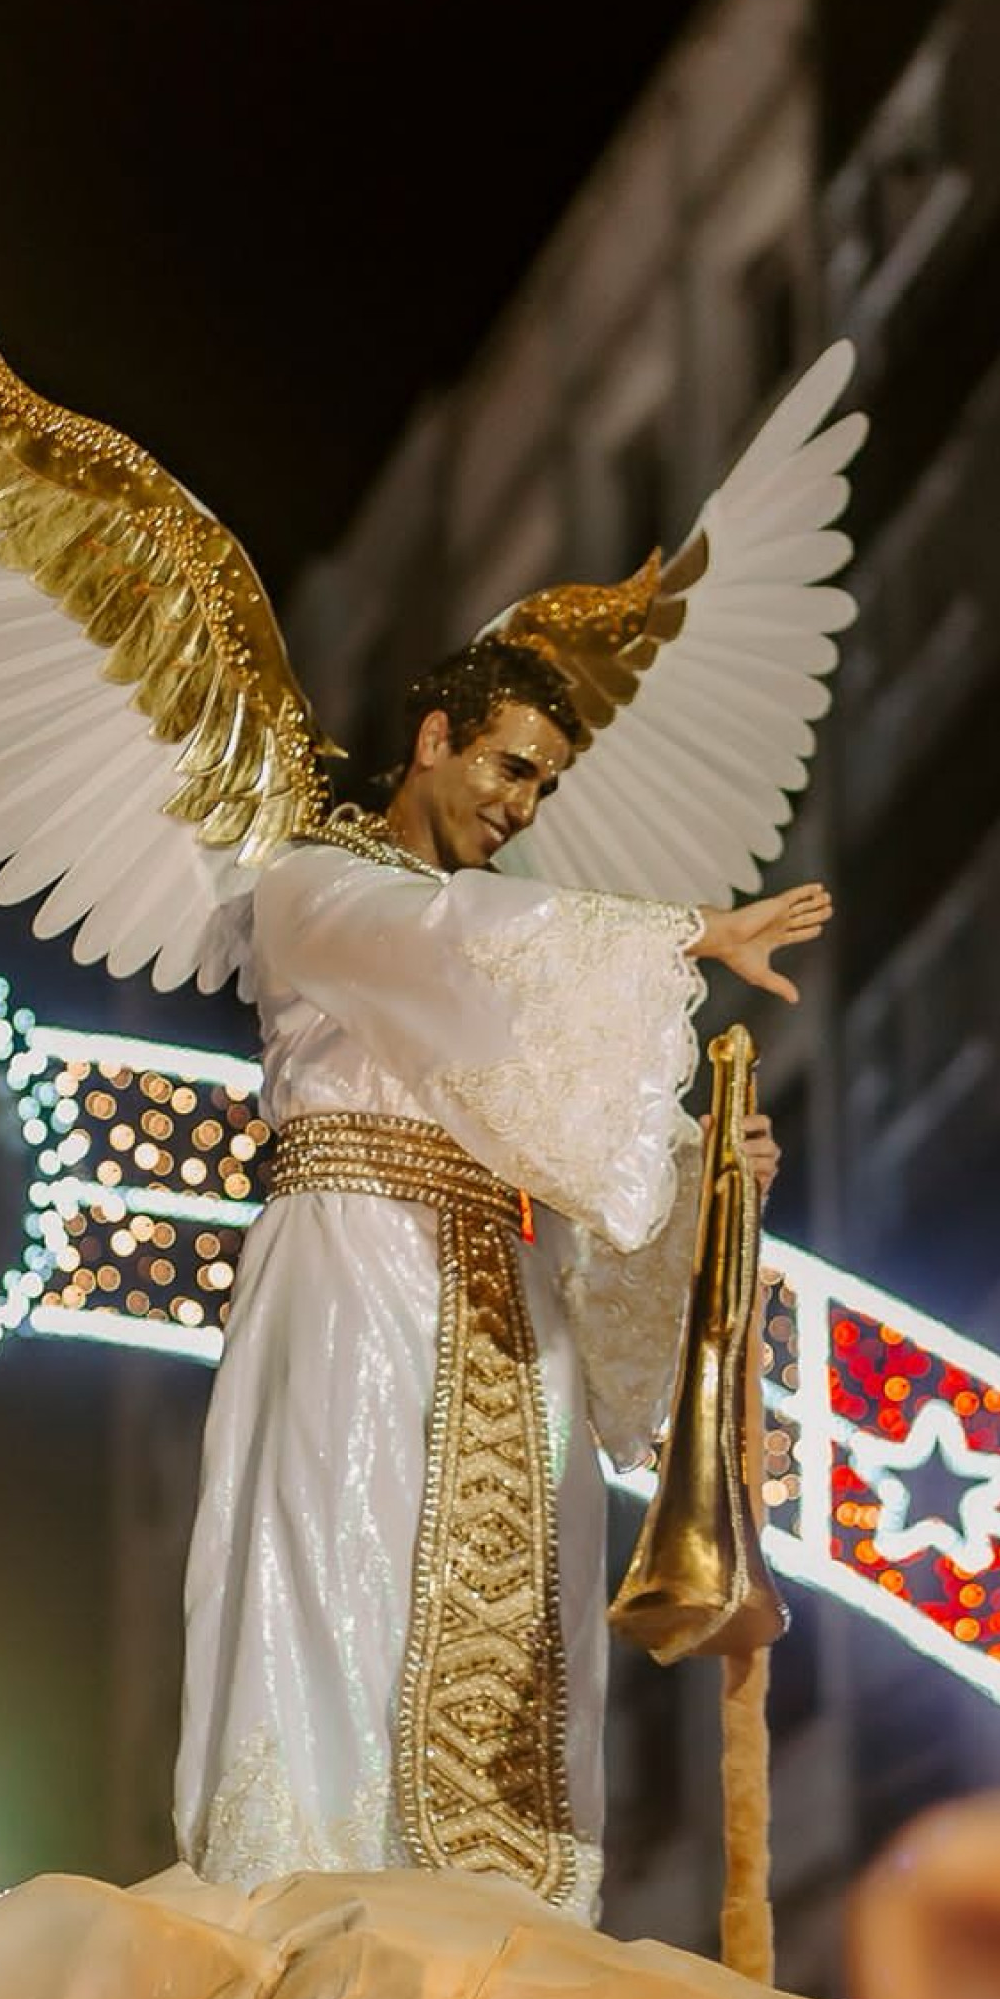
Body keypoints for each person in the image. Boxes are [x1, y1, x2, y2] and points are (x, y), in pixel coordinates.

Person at [174, 637, 830, 1920]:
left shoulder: (469, 929)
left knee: (532, 1603)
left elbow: (558, 1126)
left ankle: (500, 1924)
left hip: (502, 1291)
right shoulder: (313, 886)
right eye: (510, 767)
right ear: (433, 740)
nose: (522, 807)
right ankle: (315, 1907)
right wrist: (689, 931)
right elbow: (455, 944)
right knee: (336, 1569)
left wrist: (708, 1177)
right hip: (353, 1266)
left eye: (544, 787)